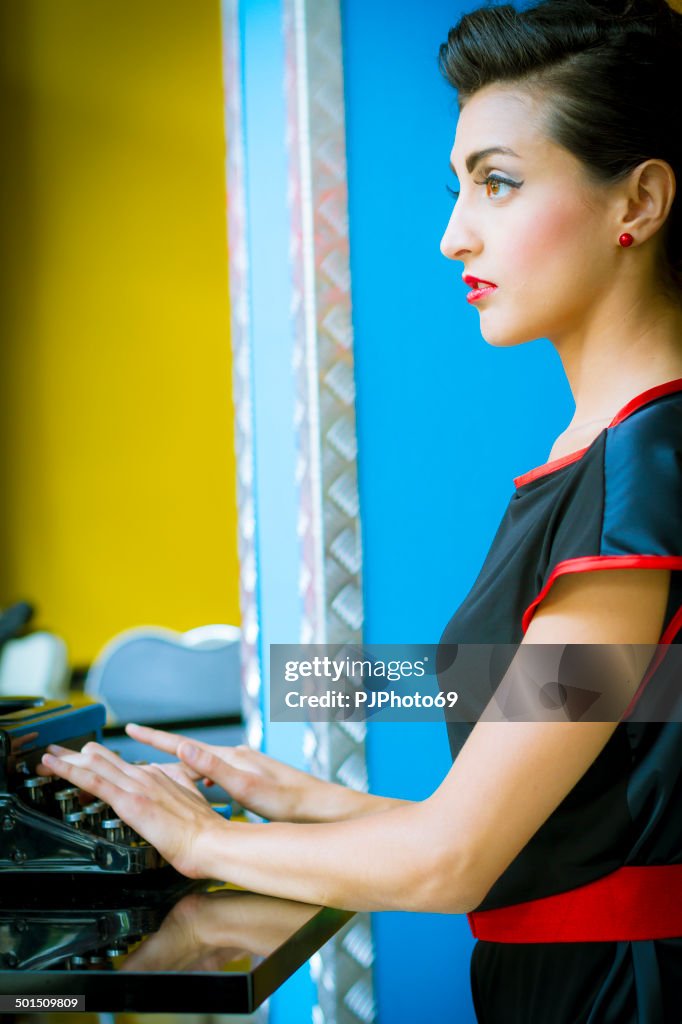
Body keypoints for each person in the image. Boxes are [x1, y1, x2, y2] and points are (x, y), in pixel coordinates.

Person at [40, 0, 682, 1019]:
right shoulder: (610, 463)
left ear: (636, 202)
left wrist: (204, 839)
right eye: (458, 186)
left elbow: (456, 862)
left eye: (498, 183)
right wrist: (300, 799)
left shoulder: (638, 490)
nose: (450, 235)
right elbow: (567, 832)